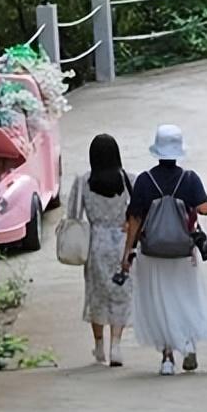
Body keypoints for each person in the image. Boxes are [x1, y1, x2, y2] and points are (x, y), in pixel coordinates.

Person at [120, 124, 207, 376]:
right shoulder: (189, 179)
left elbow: (135, 220)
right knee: (186, 297)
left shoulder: (145, 181)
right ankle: (189, 344)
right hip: (183, 251)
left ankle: (167, 358)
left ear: (157, 151)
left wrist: (127, 253)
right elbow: (204, 209)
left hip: (153, 252)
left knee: (162, 303)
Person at [67, 134, 134, 367]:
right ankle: (116, 345)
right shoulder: (128, 180)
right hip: (121, 244)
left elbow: (73, 215)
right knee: (120, 295)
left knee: (96, 295)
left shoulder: (83, 181)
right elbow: (137, 212)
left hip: (95, 243)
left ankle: (98, 346)